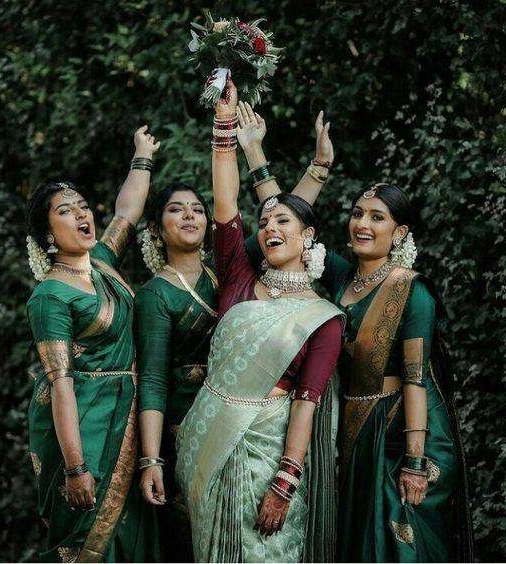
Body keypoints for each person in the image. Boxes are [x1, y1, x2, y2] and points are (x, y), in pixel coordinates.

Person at [243, 114, 474, 561]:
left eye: (377, 217)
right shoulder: (341, 276)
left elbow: (416, 380)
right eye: (357, 214)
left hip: (402, 434)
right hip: (351, 429)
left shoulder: (412, 291)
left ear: (399, 233)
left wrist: (414, 462)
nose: (362, 224)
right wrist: (255, 152)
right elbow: (285, 222)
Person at [175, 81, 344, 563]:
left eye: (283, 221)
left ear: (308, 235)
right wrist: (223, 127)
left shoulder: (324, 318)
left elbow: (307, 402)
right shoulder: (239, 277)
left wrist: (285, 482)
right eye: (265, 222)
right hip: (210, 441)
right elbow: (225, 205)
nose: (270, 227)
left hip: (270, 458)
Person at [25, 126, 161, 562]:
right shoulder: (50, 296)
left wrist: (142, 156)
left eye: (83, 206)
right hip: (85, 427)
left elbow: (127, 213)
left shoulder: (100, 264)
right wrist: (75, 467)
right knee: (88, 540)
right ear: (48, 235)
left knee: (133, 534)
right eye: (66, 211)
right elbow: (60, 385)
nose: (82, 214)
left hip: (129, 416)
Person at [134, 182, 218, 562]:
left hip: (237, 420)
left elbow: (286, 219)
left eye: (197, 209)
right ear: (156, 229)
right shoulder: (155, 295)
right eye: (176, 209)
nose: (189, 215)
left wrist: (319, 168)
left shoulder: (226, 279)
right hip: (183, 432)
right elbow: (152, 380)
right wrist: (152, 459)